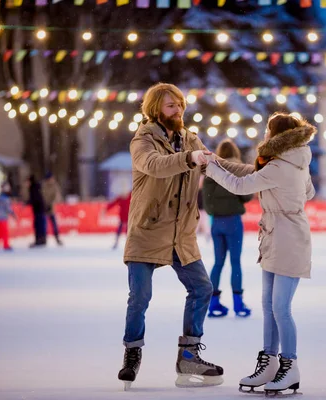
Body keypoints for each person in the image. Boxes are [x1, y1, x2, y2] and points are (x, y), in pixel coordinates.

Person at [117, 83, 223, 390]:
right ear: (155, 110)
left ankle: (189, 356)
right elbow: (153, 166)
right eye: (170, 106)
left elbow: (214, 166)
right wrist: (190, 159)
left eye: (180, 104)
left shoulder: (190, 139)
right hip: (148, 230)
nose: (178, 110)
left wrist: (260, 172)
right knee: (140, 297)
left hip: (181, 234)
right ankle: (132, 353)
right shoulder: (142, 140)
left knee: (202, 289)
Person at [205, 113, 315, 395]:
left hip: (289, 236)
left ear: (277, 136)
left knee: (281, 307)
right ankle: (270, 363)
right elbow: (309, 192)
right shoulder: (293, 161)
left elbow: (241, 185)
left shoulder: (282, 166)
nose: (264, 136)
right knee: (268, 306)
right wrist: (216, 161)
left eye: (268, 131)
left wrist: (210, 168)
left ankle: (289, 366)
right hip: (275, 234)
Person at [203, 139, 253, 318]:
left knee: (218, 262)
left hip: (217, 222)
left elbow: (206, 201)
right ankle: (238, 304)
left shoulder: (211, 170)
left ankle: (213, 302)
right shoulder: (238, 168)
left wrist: (216, 209)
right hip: (233, 221)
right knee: (235, 263)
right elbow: (247, 195)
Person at [0, 182, 18, 251]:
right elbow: (8, 208)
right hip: (3, 217)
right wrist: (13, 214)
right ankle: (6, 245)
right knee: (4, 232)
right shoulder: (5, 198)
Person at [42, 172, 63, 246]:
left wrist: (51, 203)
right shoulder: (43, 186)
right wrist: (45, 204)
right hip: (44, 207)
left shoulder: (55, 186)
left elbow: (57, 196)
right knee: (44, 224)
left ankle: (57, 237)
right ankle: (44, 238)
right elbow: (42, 195)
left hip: (52, 208)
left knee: (54, 224)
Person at [27, 175, 47, 248]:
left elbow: (36, 199)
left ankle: (40, 239)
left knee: (39, 225)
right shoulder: (35, 187)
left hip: (39, 209)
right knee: (39, 225)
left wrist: (29, 202)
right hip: (39, 209)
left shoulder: (34, 188)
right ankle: (41, 239)